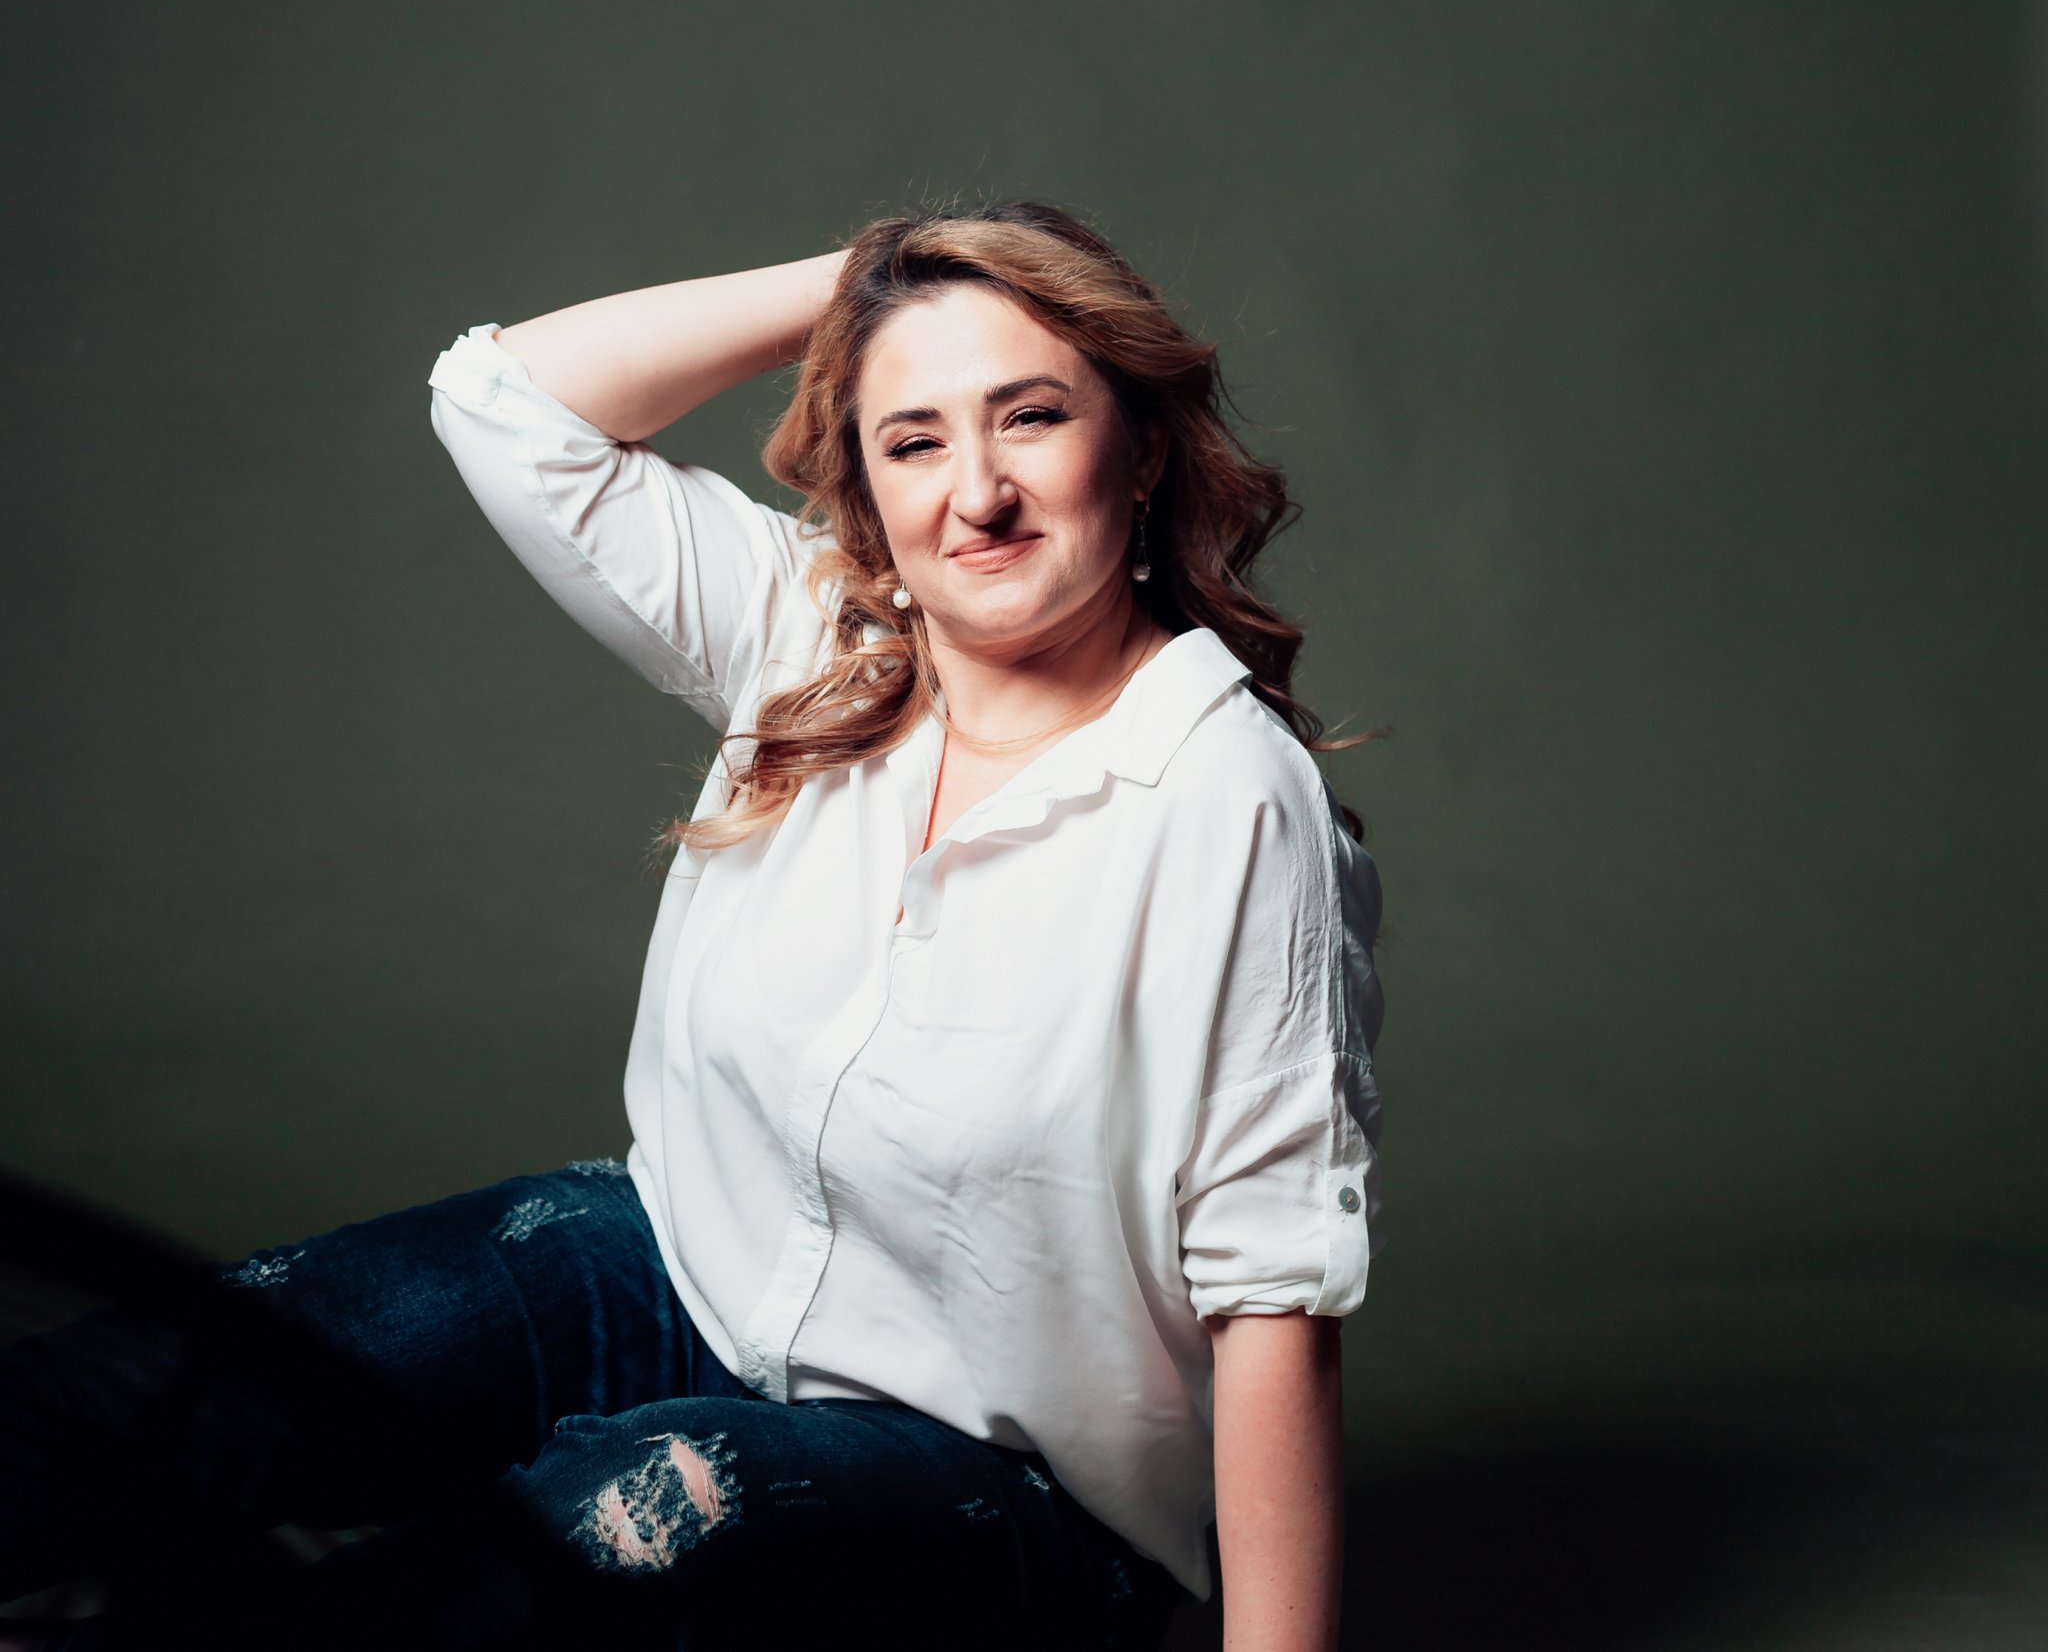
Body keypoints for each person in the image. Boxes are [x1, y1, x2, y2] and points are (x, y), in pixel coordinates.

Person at [0, 200, 1385, 1652]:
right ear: (868, 488)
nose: (977, 492)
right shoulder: (816, 636)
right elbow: (502, 400)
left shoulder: (1231, 803)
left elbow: (1275, 1304)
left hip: (1008, 1484)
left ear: (1141, 448)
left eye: (1029, 417)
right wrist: (880, 277)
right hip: (683, 1279)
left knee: (624, 1514)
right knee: (214, 1371)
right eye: (914, 440)